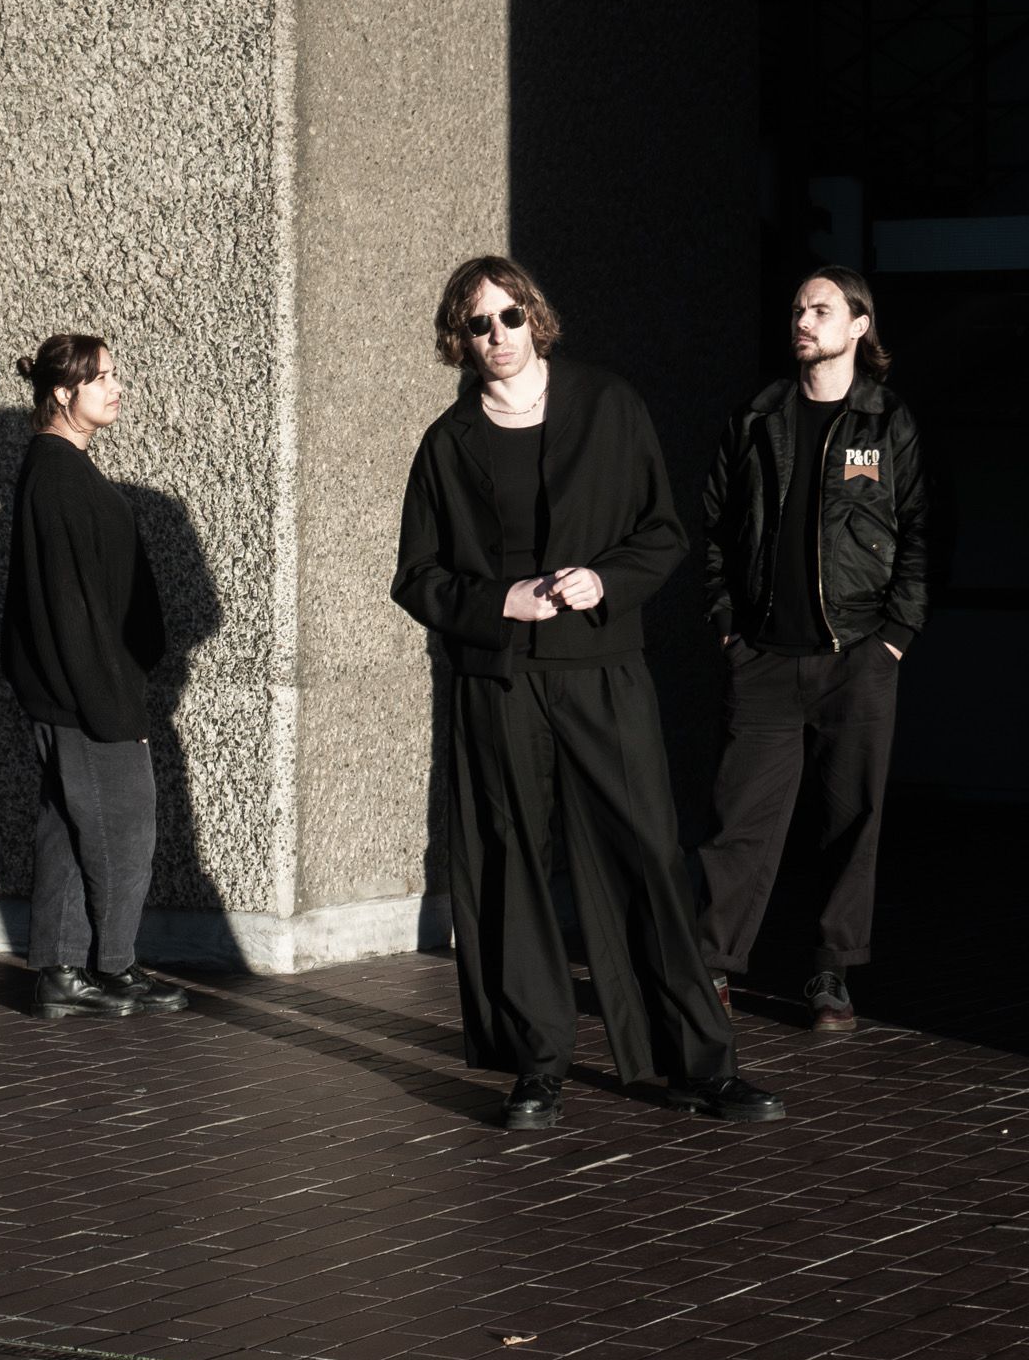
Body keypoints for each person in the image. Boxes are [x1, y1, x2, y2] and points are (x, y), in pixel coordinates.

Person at [393, 256, 783, 1129]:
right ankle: (538, 1061)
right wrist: (500, 599)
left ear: (537, 316)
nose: (496, 337)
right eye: (478, 326)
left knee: (647, 854)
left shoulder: (608, 407)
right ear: (459, 340)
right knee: (512, 864)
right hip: (499, 681)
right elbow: (416, 577)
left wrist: (604, 581)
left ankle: (699, 1064)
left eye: (509, 318)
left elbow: (662, 531)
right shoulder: (446, 445)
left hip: (602, 671)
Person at [698, 266, 930, 1031]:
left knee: (850, 818)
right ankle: (713, 968)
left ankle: (830, 973)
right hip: (763, 654)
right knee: (741, 823)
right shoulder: (758, 417)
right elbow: (713, 530)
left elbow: (923, 535)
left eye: (821, 308)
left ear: (859, 326)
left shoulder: (886, 422)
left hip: (857, 656)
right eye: (798, 307)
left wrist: (895, 637)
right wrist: (728, 624)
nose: (803, 318)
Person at [0, 333, 187, 1020]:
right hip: (84, 697)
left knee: (67, 827)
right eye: (101, 377)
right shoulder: (57, 476)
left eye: (114, 374)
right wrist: (115, 710)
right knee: (123, 827)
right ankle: (113, 969)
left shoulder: (59, 470)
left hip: (69, 692)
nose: (116, 387)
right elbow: (70, 608)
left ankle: (58, 971)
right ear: (61, 393)